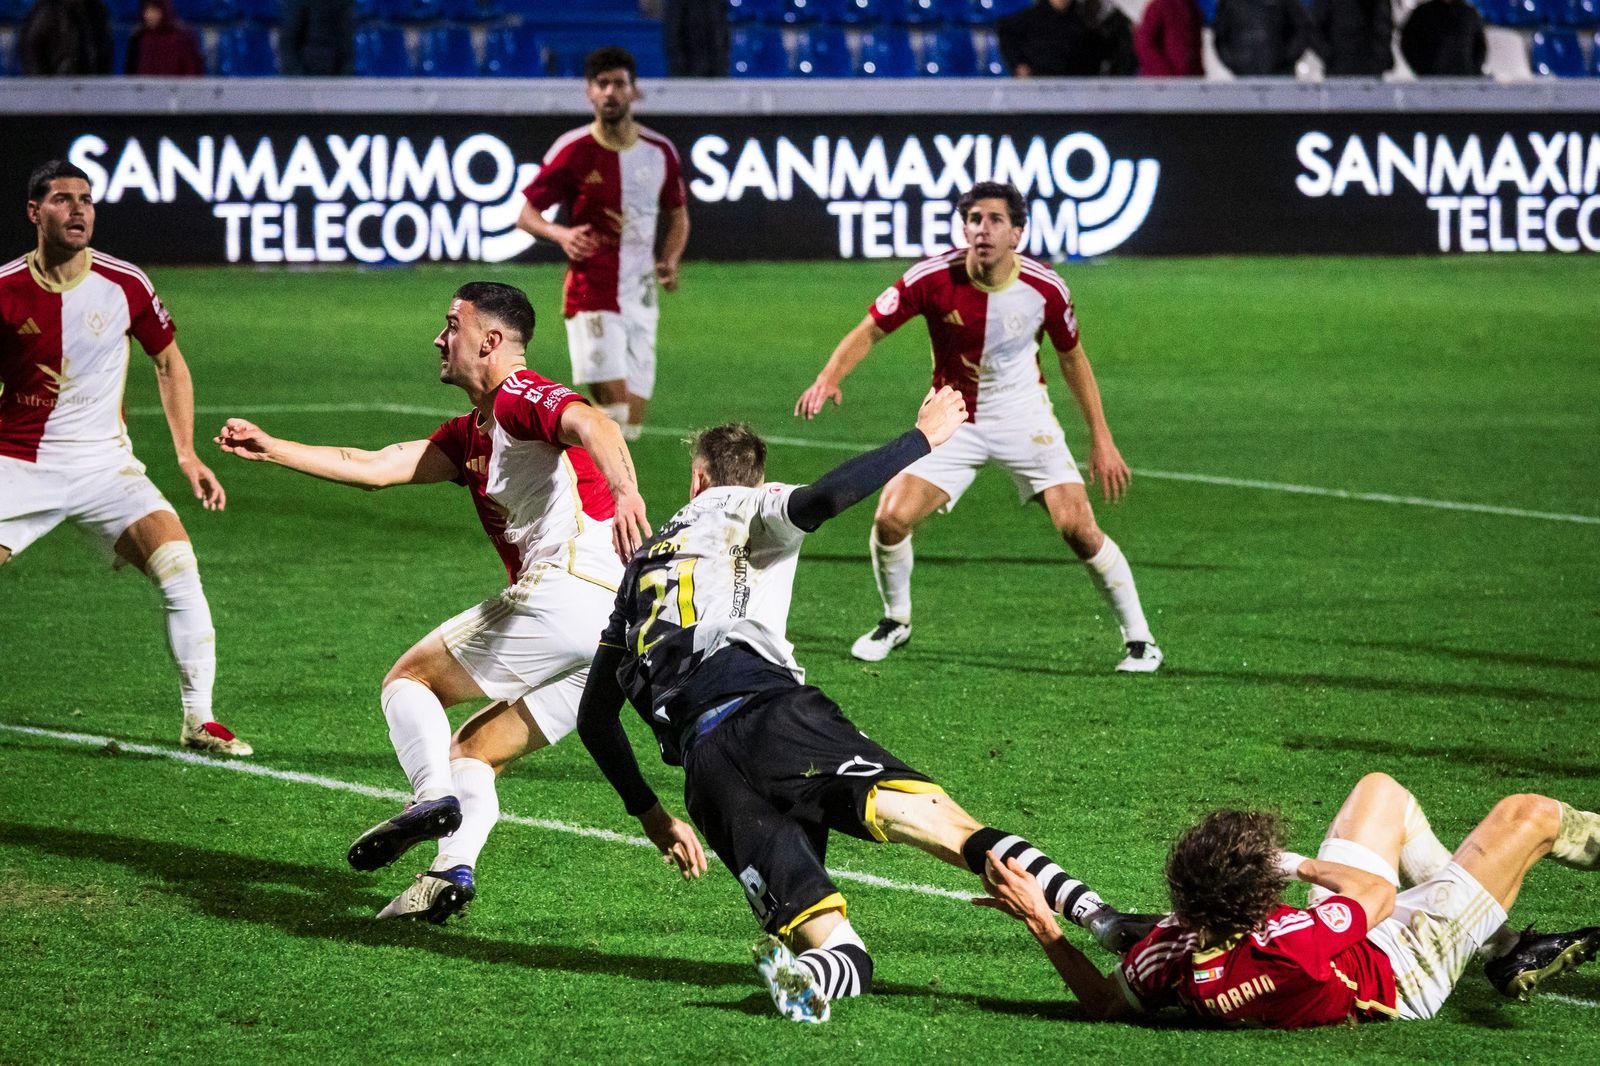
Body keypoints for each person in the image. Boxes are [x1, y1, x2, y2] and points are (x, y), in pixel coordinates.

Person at [575, 400, 1155, 1024]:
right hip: (774, 717)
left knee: (839, 948)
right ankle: (1100, 917)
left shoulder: (637, 571)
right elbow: (823, 500)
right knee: (952, 830)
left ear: (695, 478)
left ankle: (812, 975)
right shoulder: (746, 503)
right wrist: (922, 438)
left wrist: (653, 816)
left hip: (706, 767)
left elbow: (595, 719)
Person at [215, 282, 652, 923]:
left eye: (452, 324)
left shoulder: (519, 395)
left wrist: (628, 490)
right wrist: (274, 447)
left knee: (408, 681)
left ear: (491, 340)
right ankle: (448, 872)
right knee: (476, 750)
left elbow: (595, 422)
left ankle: (429, 799)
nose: (440, 338)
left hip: (569, 591)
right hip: (616, 629)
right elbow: (377, 465)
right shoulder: (470, 433)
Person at [795, 181, 1161, 674]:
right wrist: (828, 378)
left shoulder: (1046, 288)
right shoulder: (931, 277)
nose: (982, 230)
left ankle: (1141, 641)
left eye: (994, 220)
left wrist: (1101, 437)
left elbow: (1073, 358)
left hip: (1023, 415)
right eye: (974, 220)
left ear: (1017, 233)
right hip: (952, 416)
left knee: (1077, 527)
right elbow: (871, 329)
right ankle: (895, 620)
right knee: (890, 520)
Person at [977, 771, 1600, 1026]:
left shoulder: (1171, 952)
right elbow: (1377, 895)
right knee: (1530, 816)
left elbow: (1105, 1002)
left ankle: (1506, 949)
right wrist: (1295, 862)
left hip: (1344, 935)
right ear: (1258, 904)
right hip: (1406, 969)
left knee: (1380, 793)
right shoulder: (1292, 946)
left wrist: (1044, 923)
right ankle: (1499, 946)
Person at [1, 160, 246, 755]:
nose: (78, 209)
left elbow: (169, 364)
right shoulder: (4, 288)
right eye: (63, 199)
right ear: (34, 212)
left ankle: (200, 720)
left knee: (180, 568)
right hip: (19, 464)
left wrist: (186, 454)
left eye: (86, 199)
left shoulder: (125, 283)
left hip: (106, 469)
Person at [517, 46, 690, 444]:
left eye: (619, 84)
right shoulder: (572, 150)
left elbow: (679, 215)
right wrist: (561, 234)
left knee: (630, 426)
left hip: (641, 295)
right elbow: (526, 215)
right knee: (614, 411)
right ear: (590, 92)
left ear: (634, 91)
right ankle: (570, 469)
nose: (610, 92)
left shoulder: (659, 151)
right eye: (602, 84)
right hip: (591, 292)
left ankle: (564, 455)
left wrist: (670, 259)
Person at [996, 0, 1136, 78]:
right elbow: (1007, 34)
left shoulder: (1089, 22)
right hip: (1039, 93)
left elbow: (1120, 47)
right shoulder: (1028, 20)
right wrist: (1018, 65)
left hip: (1082, 97)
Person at [1212, 0, 1321, 76]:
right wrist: (1235, 62)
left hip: (1281, 75)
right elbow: (1220, 36)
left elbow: (1303, 28)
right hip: (1243, 76)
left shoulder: (1287, 3)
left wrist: (1287, 58)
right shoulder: (1230, 3)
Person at [18, 0, 114, 75]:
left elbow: (104, 52)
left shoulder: (97, 10)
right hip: (56, 87)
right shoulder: (46, 12)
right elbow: (31, 53)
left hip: (91, 85)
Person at [1400, 0, 1486, 77]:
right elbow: (1408, 43)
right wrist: (1421, 68)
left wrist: (1474, 69)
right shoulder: (1423, 13)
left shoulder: (1469, 13)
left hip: (1465, 77)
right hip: (1432, 78)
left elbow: (1480, 45)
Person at [1309, 0, 1393, 77]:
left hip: (1372, 68)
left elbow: (1384, 28)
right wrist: (1328, 55)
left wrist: (1381, 57)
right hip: (1339, 68)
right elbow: (1314, 28)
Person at [124, 0, 204, 77]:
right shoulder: (137, 38)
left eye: (154, 10)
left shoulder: (184, 38)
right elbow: (130, 77)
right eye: (145, 10)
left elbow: (193, 75)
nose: (148, 15)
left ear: (164, 9)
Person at [279, 0, 355, 77]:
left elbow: (346, 39)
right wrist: (297, 75)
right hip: (306, 70)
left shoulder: (344, 4)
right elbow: (288, 41)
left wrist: (346, 71)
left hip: (337, 70)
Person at [1134, 0, 1204, 77]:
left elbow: (1194, 46)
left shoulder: (1192, 7)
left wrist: (1198, 75)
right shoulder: (1160, 5)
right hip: (1162, 80)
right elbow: (1144, 43)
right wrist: (1164, 73)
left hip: (1190, 78)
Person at [664, 0, 728, 76]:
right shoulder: (677, 4)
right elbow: (673, 34)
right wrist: (679, 64)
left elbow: (722, 32)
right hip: (687, 68)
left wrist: (721, 62)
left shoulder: (716, 3)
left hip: (715, 68)